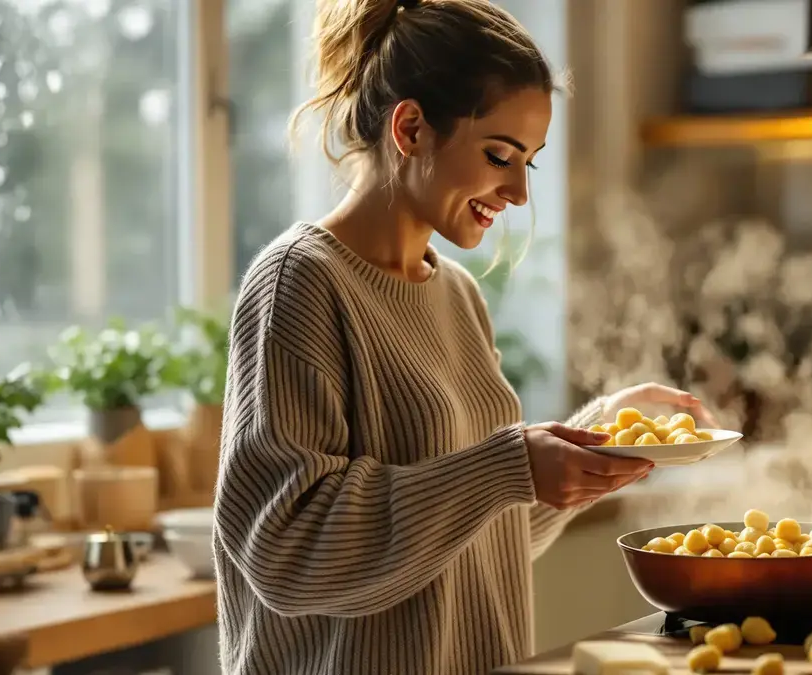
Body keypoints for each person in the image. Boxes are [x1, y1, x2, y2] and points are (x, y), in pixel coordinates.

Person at [212, 1, 714, 673]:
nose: (516, 192)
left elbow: (478, 528)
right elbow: (287, 552)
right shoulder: (299, 283)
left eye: (527, 163)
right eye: (499, 155)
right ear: (412, 127)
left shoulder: (457, 294)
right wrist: (509, 465)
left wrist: (590, 443)